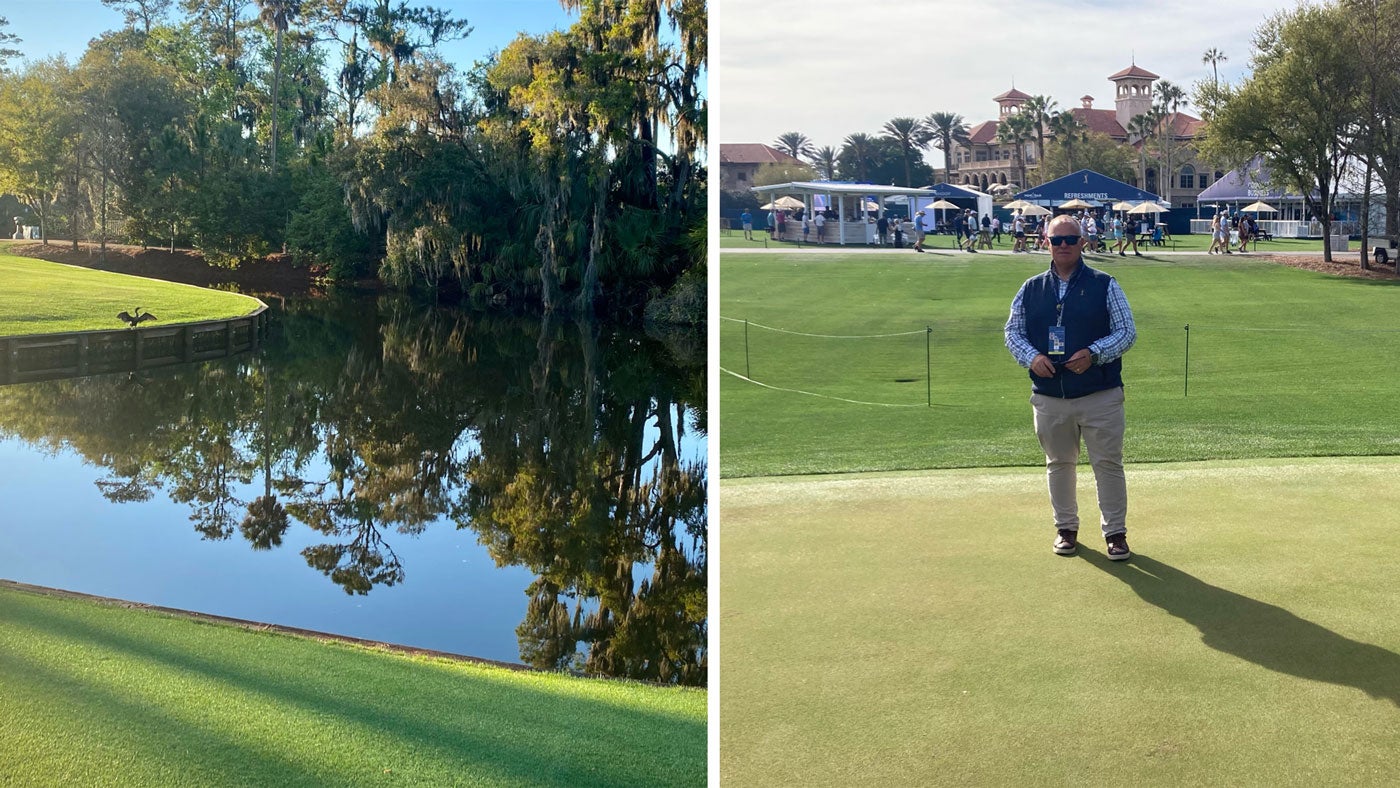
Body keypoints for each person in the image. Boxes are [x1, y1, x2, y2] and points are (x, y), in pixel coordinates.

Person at [1004, 215, 1138, 561]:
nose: (1063, 245)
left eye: (1070, 239)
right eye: (1056, 239)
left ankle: (1116, 534)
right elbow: (1012, 332)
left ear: (1083, 242)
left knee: (1107, 465)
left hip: (1100, 393)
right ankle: (1066, 529)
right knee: (1059, 464)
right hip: (1050, 395)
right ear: (1045, 242)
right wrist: (1031, 357)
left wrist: (1094, 354)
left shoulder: (1105, 283)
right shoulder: (1030, 288)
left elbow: (1127, 332)